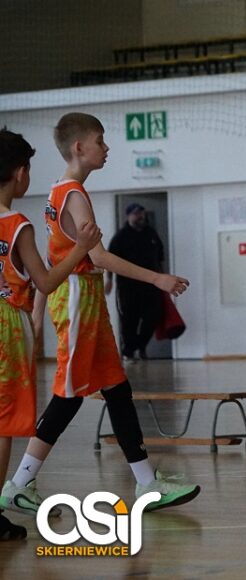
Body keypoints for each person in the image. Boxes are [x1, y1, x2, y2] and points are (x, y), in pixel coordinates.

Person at [0, 114, 200, 518]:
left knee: (116, 388)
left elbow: (52, 257)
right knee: (68, 393)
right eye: (100, 141)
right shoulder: (73, 194)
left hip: (84, 297)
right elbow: (98, 257)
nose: (106, 149)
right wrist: (157, 278)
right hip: (77, 298)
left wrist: (39, 310)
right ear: (80, 148)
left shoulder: (59, 190)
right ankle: (19, 482)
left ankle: (147, 483)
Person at [0, 128, 102, 540]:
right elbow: (44, 282)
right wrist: (80, 248)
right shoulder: (17, 225)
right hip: (7, 323)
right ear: (20, 173)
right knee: (4, 422)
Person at [105, 202, 164, 361]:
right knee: (129, 320)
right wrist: (109, 280)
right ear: (129, 216)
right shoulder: (120, 237)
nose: (140, 216)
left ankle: (140, 345)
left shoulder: (151, 233)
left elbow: (160, 257)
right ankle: (129, 352)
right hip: (128, 287)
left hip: (151, 285)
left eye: (141, 213)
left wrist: (163, 279)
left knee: (153, 317)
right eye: (136, 214)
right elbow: (109, 260)